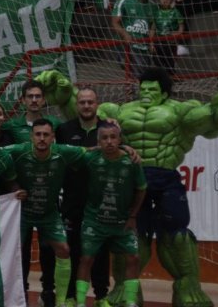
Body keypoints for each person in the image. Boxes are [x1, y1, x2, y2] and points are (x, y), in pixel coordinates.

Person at [38, 68, 218, 306]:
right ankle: (125, 291)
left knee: (176, 235)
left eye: (152, 90)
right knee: (130, 236)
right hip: (133, 178)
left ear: (164, 93)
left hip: (166, 178)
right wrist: (63, 93)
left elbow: (213, 119)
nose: (146, 93)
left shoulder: (182, 110)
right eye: (143, 89)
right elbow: (85, 112)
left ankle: (188, 287)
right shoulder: (120, 112)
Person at [5, 119, 87, 307]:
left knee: (64, 250)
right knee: (11, 252)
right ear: (31, 136)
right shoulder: (18, 150)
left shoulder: (63, 153)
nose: (42, 138)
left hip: (49, 214)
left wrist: (122, 149)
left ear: (53, 138)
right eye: (38, 134)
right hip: (23, 213)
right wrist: (14, 186)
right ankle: (12, 297)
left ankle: (60, 300)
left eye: (46, 135)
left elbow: (90, 152)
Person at [73, 123, 146, 307]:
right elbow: (71, 154)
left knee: (134, 257)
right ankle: (80, 302)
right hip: (94, 221)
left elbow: (141, 189)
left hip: (122, 222)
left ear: (120, 140)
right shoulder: (90, 158)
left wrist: (132, 216)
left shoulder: (131, 162)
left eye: (113, 137)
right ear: (98, 142)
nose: (109, 141)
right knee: (86, 258)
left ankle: (130, 302)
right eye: (104, 138)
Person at [54, 88, 111, 306]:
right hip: (72, 200)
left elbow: (119, 149)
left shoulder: (107, 129)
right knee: (72, 249)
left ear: (97, 104)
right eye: (82, 102)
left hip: (100, 201)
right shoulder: (64, 130)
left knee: (100, 250)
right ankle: (70, 296)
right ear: (76, 105)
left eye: (90, 102)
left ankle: (101, 296)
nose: (86, 106)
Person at [111, 0, 158, 79]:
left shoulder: (153, 6)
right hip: (126, 46)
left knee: (141, 77)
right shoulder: (124, 1)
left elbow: (152, 27)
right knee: (133, 75)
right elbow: (115, 22)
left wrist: (151, 43)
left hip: (143, 48)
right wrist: (125, 34)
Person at [2, 80, 63, 144]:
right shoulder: (12, 125)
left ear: (44, 100)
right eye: (30, 96)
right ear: (23, 100)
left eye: (38, 96)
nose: (34, 100)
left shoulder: (54, 122)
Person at [153, 0, 185, 75]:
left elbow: (181, 28)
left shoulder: (175, 12)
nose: (165, 0)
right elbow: (152, 29)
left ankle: (171, 77)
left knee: (169, 62)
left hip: (170, 43)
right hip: (158, 42)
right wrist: (151, 43)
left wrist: (176, 34)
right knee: (158, 61)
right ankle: (160, 78)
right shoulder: (156, 12)